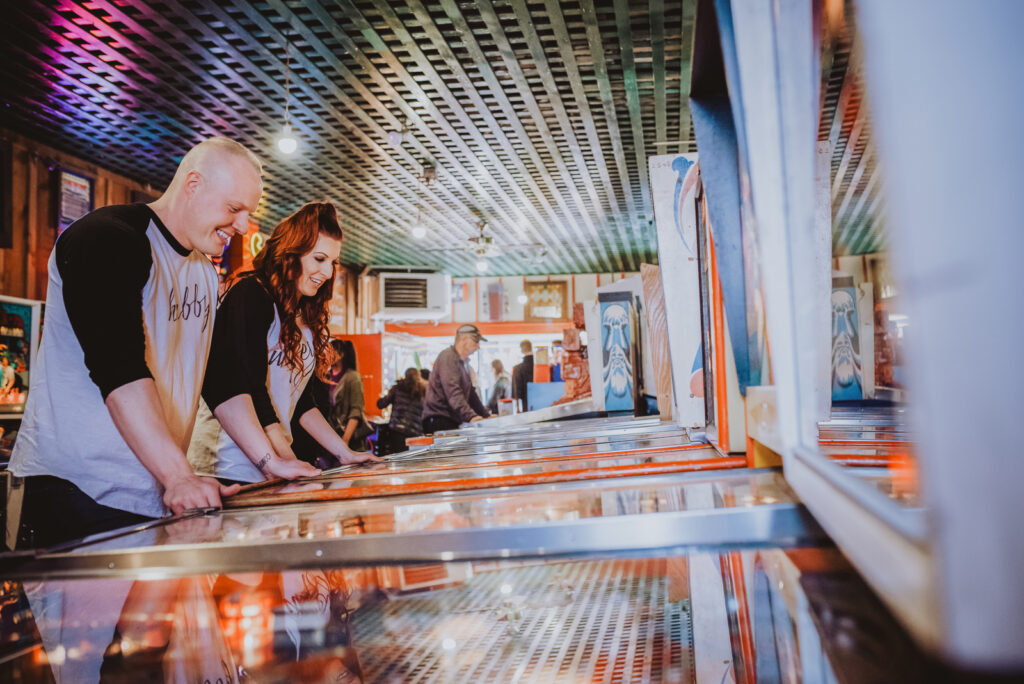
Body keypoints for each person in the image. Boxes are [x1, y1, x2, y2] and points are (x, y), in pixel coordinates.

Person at [10, 137, 262, 548]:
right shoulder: (106, 238)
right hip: (79, 488)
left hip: (154, 491)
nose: (242, 226)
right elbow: (118, 366)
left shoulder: (201, 269)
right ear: (193, 185)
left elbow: (219, 375)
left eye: (248, 213)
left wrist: (270, 461)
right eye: (234, 209)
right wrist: (178, 475)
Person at [188, 202, 380, 484]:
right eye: (319, 259)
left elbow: (301, 402)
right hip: (226, 465)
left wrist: (344, 452)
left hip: (270, 464)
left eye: (332, 262)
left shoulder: (304, 315)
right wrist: (284, 458)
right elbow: (248, 386)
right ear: (292, 254)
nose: (327, 272)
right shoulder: (252, 293)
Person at [421, 325, 490, 434]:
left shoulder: (462, 362)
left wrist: (486, 415)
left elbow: (471, 394)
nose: (478, 346)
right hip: (439, 419)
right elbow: (453, 391)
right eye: (476, 341)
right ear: (464, 339)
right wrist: (470, 416)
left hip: (449, 419)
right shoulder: (448, 358)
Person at [329, 339, 374, 451]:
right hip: (330, 439)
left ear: (341, 354)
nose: (326, 354)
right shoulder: (326, 377)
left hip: (349, 440)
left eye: (331, 351)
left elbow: (356, 411)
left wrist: (345, 441)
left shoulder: (352, 377)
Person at [376, 367, 426, 453]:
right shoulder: (422, 391)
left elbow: (381, 404)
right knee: (411, 458)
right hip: (415, 432)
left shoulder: (398, 388)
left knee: (397, 458)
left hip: (396, 431)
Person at [511, 339, 535, 412]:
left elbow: (516, 394)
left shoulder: (517, 369)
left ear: (521, 350)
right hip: (543, 407)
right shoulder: (542, 367)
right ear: (531, 347)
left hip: (525, 408)